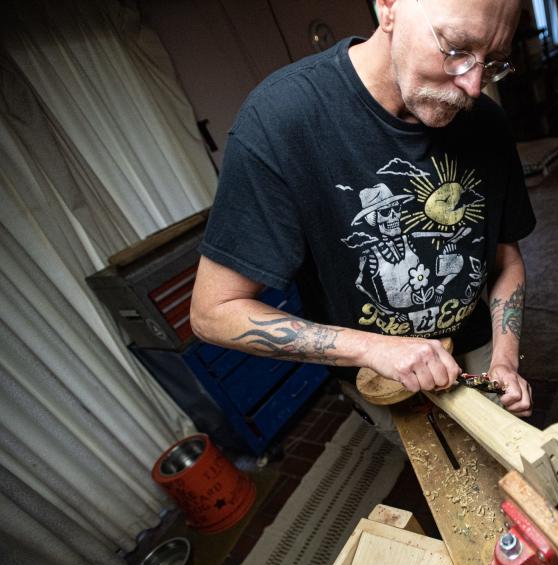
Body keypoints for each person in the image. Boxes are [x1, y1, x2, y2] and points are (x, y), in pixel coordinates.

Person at [190, 0, 536, 441]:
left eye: (492, 63)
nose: (471, 87)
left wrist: (504, 359)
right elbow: (212, 313)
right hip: (381, 377)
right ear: (388, 7)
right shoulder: (281, 121)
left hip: (478, 346)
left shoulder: (487, 123)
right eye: (455, 49)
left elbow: (506, 261)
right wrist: (374, 348)